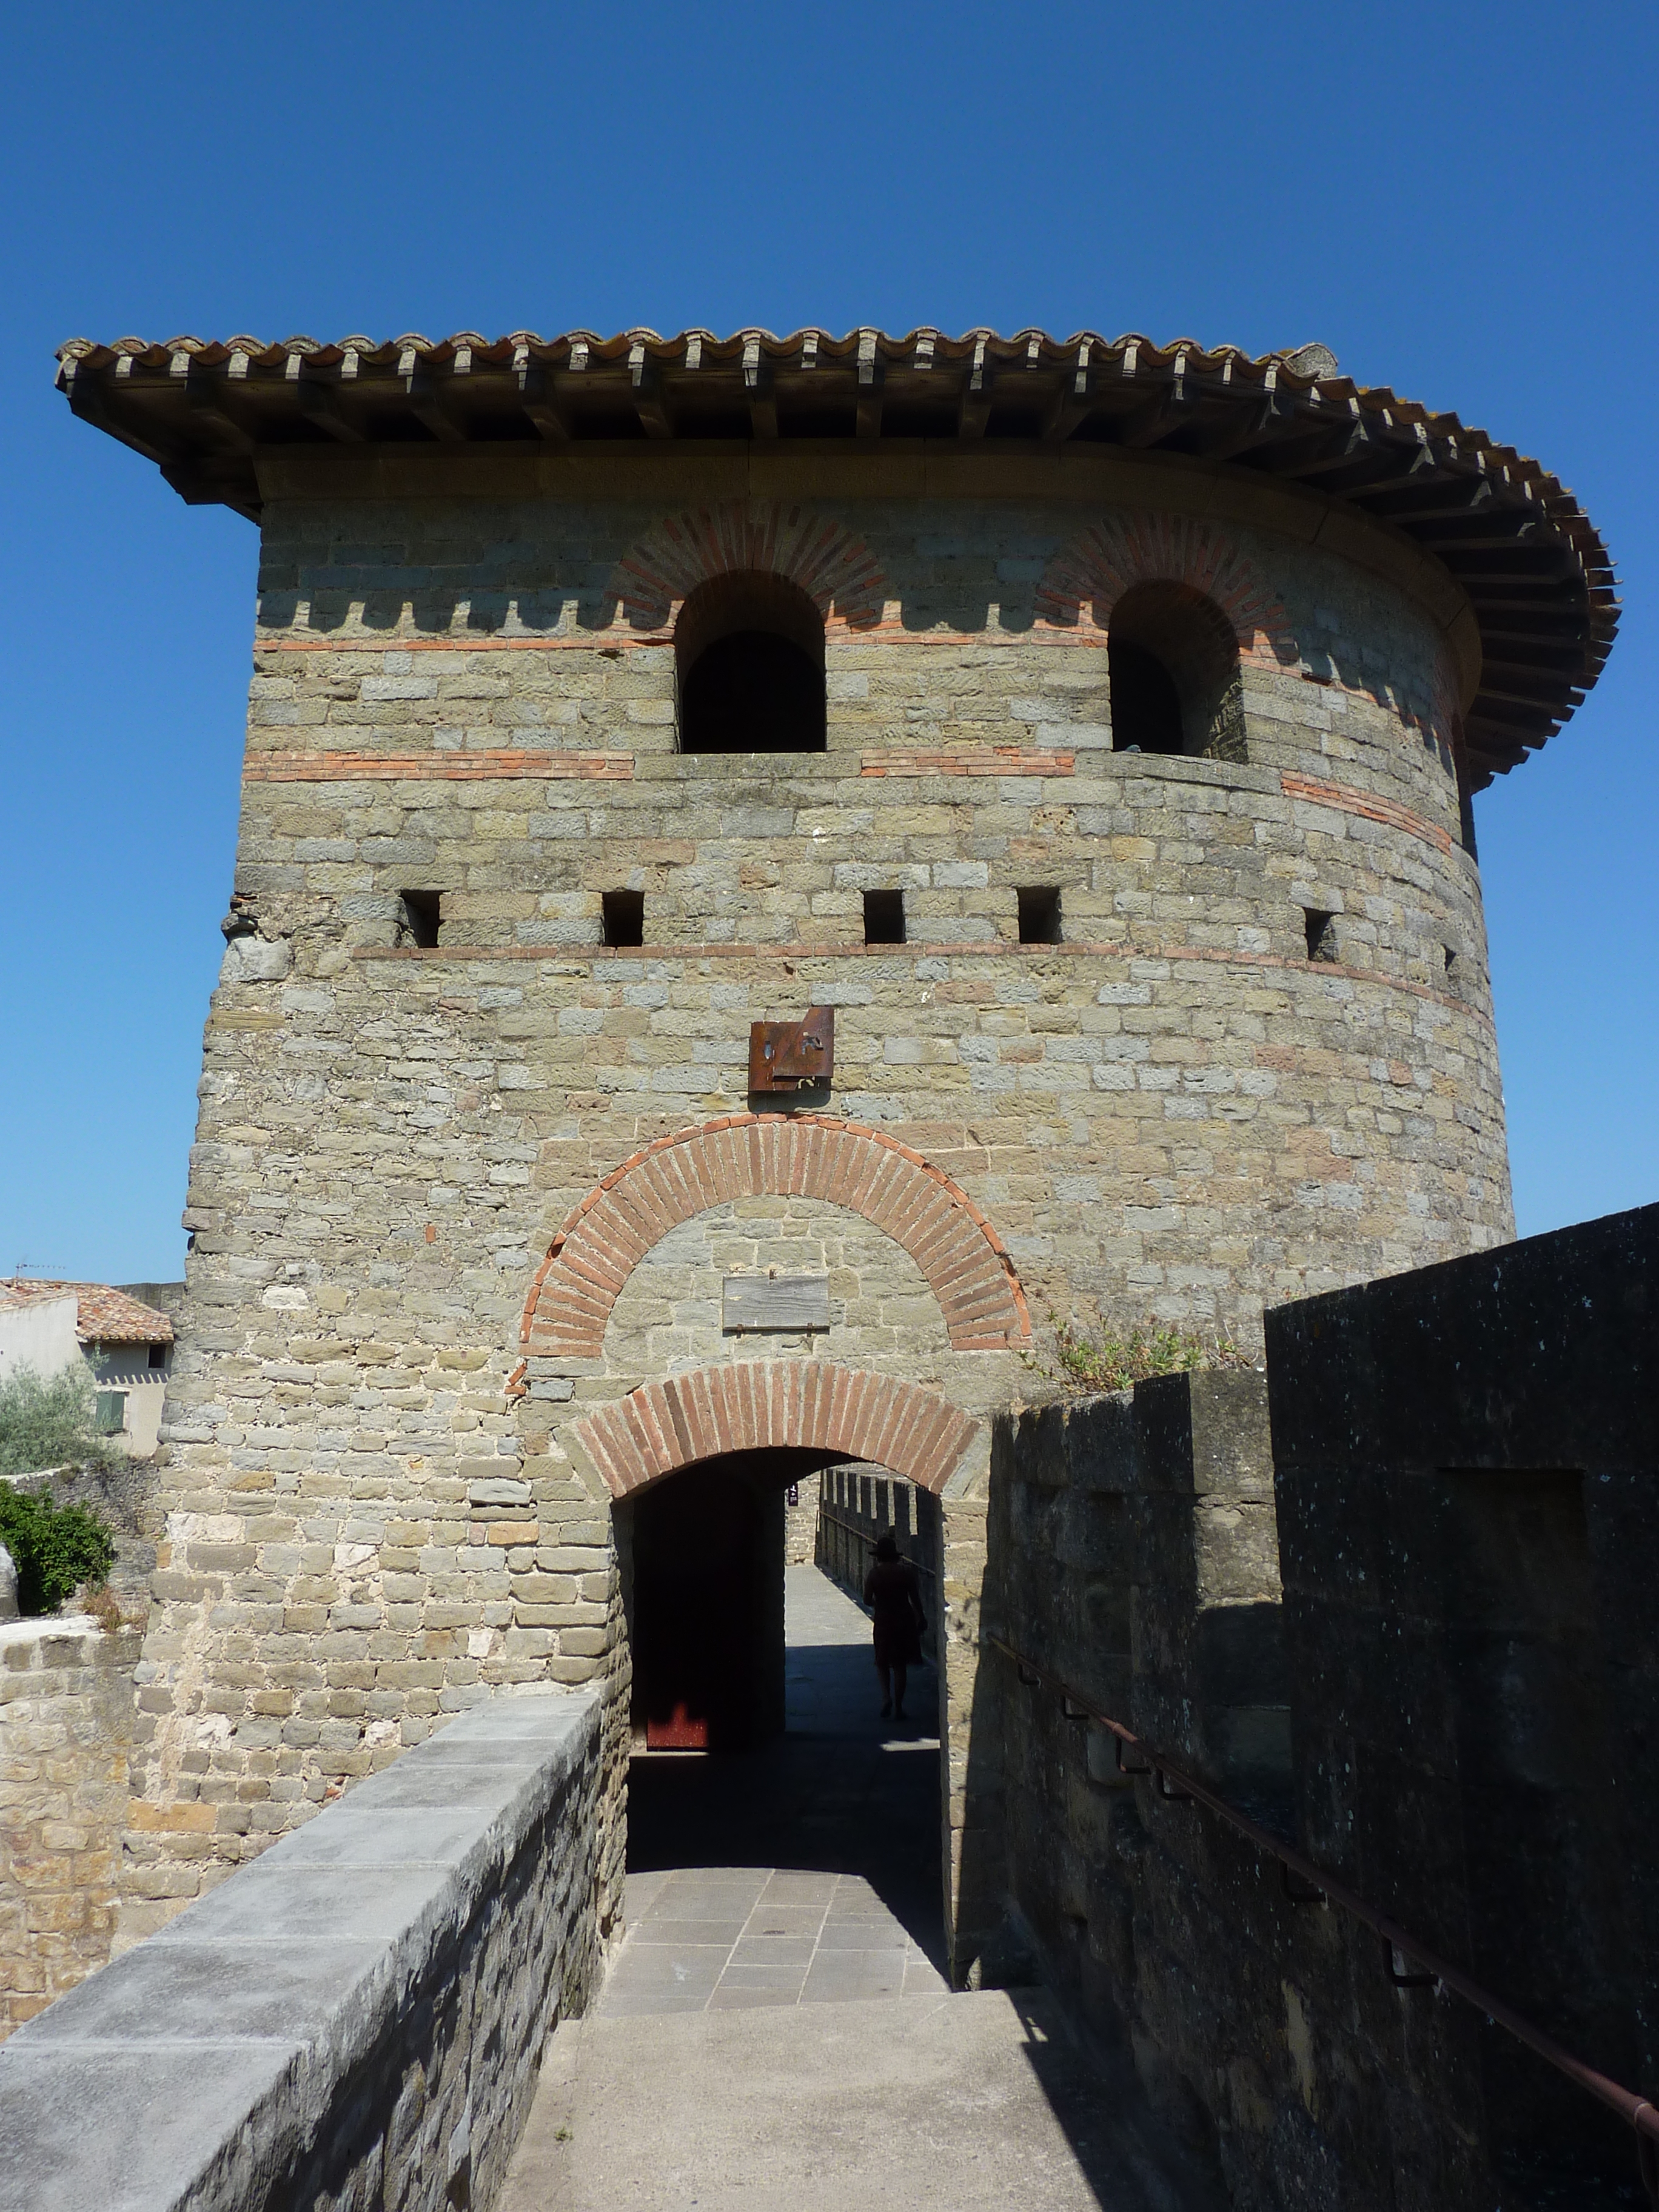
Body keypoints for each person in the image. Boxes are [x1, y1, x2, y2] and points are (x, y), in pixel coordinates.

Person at [863, 1533, 927, 1720]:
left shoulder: (874, 1574)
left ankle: (886, 1697)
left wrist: (880, 1603)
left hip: (884, 1619)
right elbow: (915, 1599)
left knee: (882, 1662)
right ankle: (899, 1706)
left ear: (878, 1556)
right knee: (900, 1665)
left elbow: (867, 1600)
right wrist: (921, 1617)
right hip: (904, 1619)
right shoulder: (906, 1573)